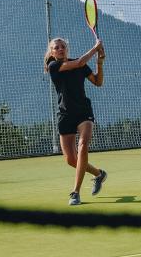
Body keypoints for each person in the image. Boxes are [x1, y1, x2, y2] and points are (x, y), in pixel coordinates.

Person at [44, 36, 107, 206]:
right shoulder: (53, 66)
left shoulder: (80, 64)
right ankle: (99, 174)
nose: (60, 49)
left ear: (67, 48)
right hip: (65, 115)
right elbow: (79, 63)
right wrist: (95, 49)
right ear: (51, 52)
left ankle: (75, 192)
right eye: (56, 48)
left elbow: (98, 82)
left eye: (62, 46)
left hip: (83, 112)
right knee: (71, 159)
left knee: (83, 144)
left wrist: (99, 63)